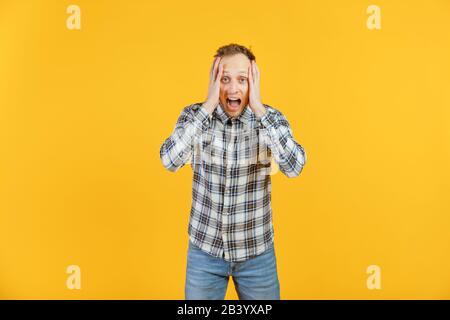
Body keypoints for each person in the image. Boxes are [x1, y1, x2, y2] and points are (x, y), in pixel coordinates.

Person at [160, 43, 307, 300]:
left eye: (242, 79)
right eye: (224, 79)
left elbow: (294, 167)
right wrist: (207, 106)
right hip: (204, 253)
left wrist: (259, 108)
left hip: (256, 255)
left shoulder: (270, 120)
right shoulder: (195, 117)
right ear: (214, 82)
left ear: (254, 83)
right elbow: (169, 160)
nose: (233, 88)